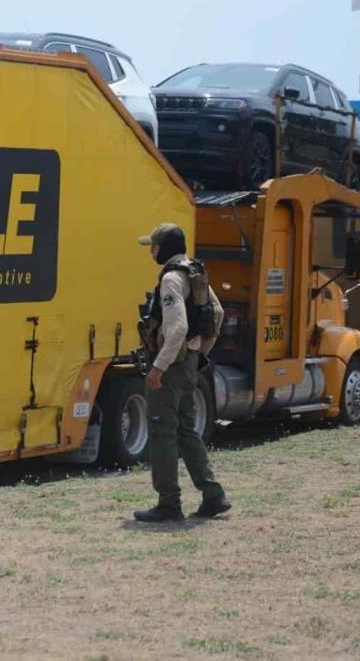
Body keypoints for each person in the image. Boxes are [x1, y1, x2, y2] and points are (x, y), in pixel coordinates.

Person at [134, 223, 230, 522]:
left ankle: (168, 503)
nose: (151, 251)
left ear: (164, 248)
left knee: (162, 431)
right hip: (189, 364)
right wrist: (200, 353)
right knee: (187, 430)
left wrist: (158, 368)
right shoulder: (195, 273)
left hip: (172, 366)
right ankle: (213, 495)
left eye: (154, 246)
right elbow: (218, 314)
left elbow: (177, 327)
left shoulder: (172, 279)